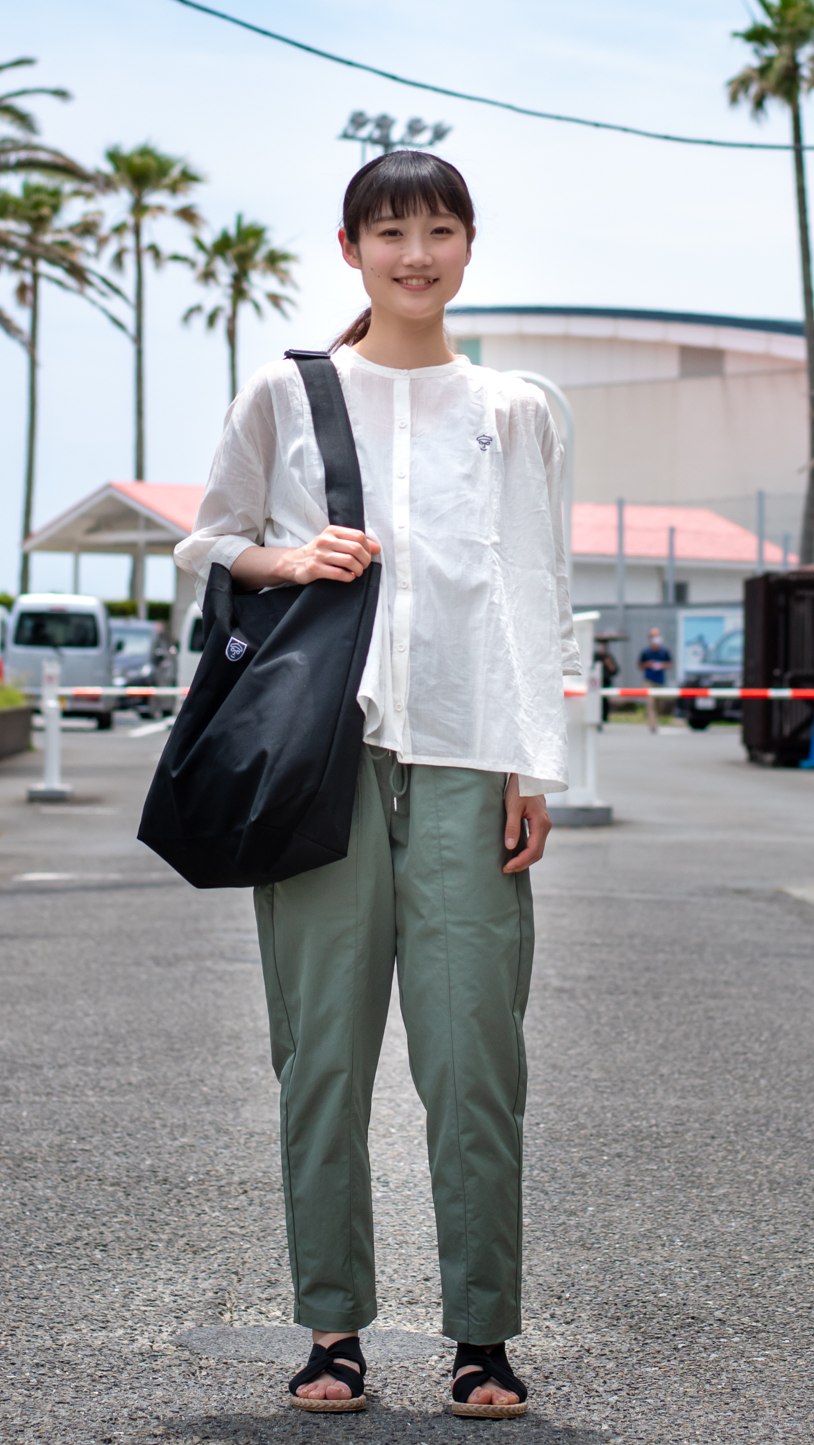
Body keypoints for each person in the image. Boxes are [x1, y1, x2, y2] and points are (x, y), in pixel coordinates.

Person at [176, 150, 579, 1417]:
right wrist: (291, 559)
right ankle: (331, 1331)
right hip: (318, 767)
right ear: (349, 248)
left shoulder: (515, 407)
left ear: (470, 246)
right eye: (390, 232)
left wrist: (534, 764)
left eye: (439, 230)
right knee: (321, 1063)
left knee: (472, 1063)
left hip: (468, 762)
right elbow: (207, 539)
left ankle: (481, 1337)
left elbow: (536, 588)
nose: (416, 254)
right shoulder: (285, 396)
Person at [639, 626, 673, 733]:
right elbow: (640, 665)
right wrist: (648, 664)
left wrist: (661, 665)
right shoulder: (645, 651)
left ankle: (655, 718)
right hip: (649, 680)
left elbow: (670, 664)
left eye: (657, 636)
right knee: (650, 703)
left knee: (660, 703)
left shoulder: (664, 651)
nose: (656, 638)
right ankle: (653, 725)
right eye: (654, 636)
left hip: (660, 680)